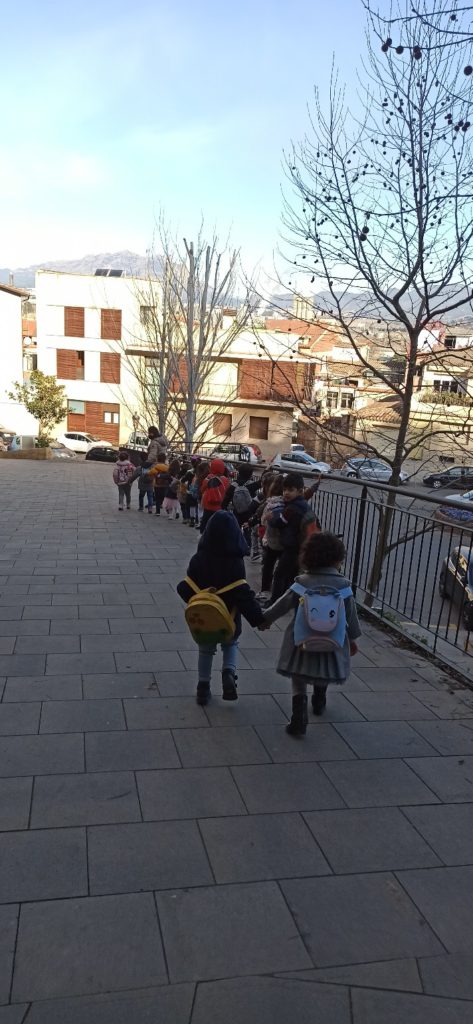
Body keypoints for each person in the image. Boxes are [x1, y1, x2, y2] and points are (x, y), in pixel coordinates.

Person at [263, 532, 361, 736]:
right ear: (338, 559)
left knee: (298, 675)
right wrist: (352, 639)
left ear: (307, 556)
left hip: (302, 639)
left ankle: (298, 712)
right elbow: (351, 616)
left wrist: (265, 620)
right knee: (322, 668)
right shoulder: (344, 586)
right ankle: (319, 698)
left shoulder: (302, 582)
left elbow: (282, 605)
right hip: (332, 639)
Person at [177, 511, 266, 705]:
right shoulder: (235, 563)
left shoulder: (198, 559)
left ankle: (203, 687)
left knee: (205, 650)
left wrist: (199, 598)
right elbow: (242, 594)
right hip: (229, 618)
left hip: (205, 619)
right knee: (230, 644)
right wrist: (258, 619)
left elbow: (184, 587)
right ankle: (228, 673)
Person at [268, 472, 314, 602]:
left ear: (299, 491)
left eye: (290, 490)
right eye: (284, 490)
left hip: (291, 546)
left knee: (279, 574)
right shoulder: (302, 504)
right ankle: (290, 601)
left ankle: (275, 602)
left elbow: (280, 522)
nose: (286, 493)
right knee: (291, 576)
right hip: (299, 545)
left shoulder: (292, 508)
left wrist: (271, 518)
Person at [257, 474, 285, 601]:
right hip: (285, 542)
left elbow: (263, 521)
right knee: (282, 569)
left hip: (271, 540)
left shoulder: (270, 503)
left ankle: (265, 590)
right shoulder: (289, 504)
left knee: (268, 566)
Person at [199, 458, 231, 533]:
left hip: (208, 504)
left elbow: (202, 489)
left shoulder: (208, 478)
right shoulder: (225, 480)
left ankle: (204, 534)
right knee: (218, 522)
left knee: (206, 520)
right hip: (220, 505)